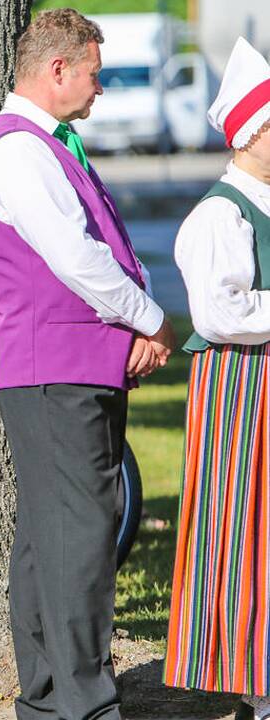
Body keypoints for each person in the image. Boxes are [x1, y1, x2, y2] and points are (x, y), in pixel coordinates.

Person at [0, 10, 175, 720]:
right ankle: (82, 703)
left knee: (52, 535)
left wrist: (135, 317)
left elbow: (101, 246)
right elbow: (76, 257)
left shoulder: (50, 146)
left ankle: (51, 696)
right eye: (91, 73)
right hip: (50, 369)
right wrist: (149, 318)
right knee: (79, 537)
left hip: (68, 365)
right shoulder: (20, 151)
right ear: (56, 69)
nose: (97, 89)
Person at [166, 37, 270, 720]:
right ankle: (252, 681)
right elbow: (218, 311)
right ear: (252, 133)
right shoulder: (219, 212)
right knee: (243, 530)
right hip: (239, 387)